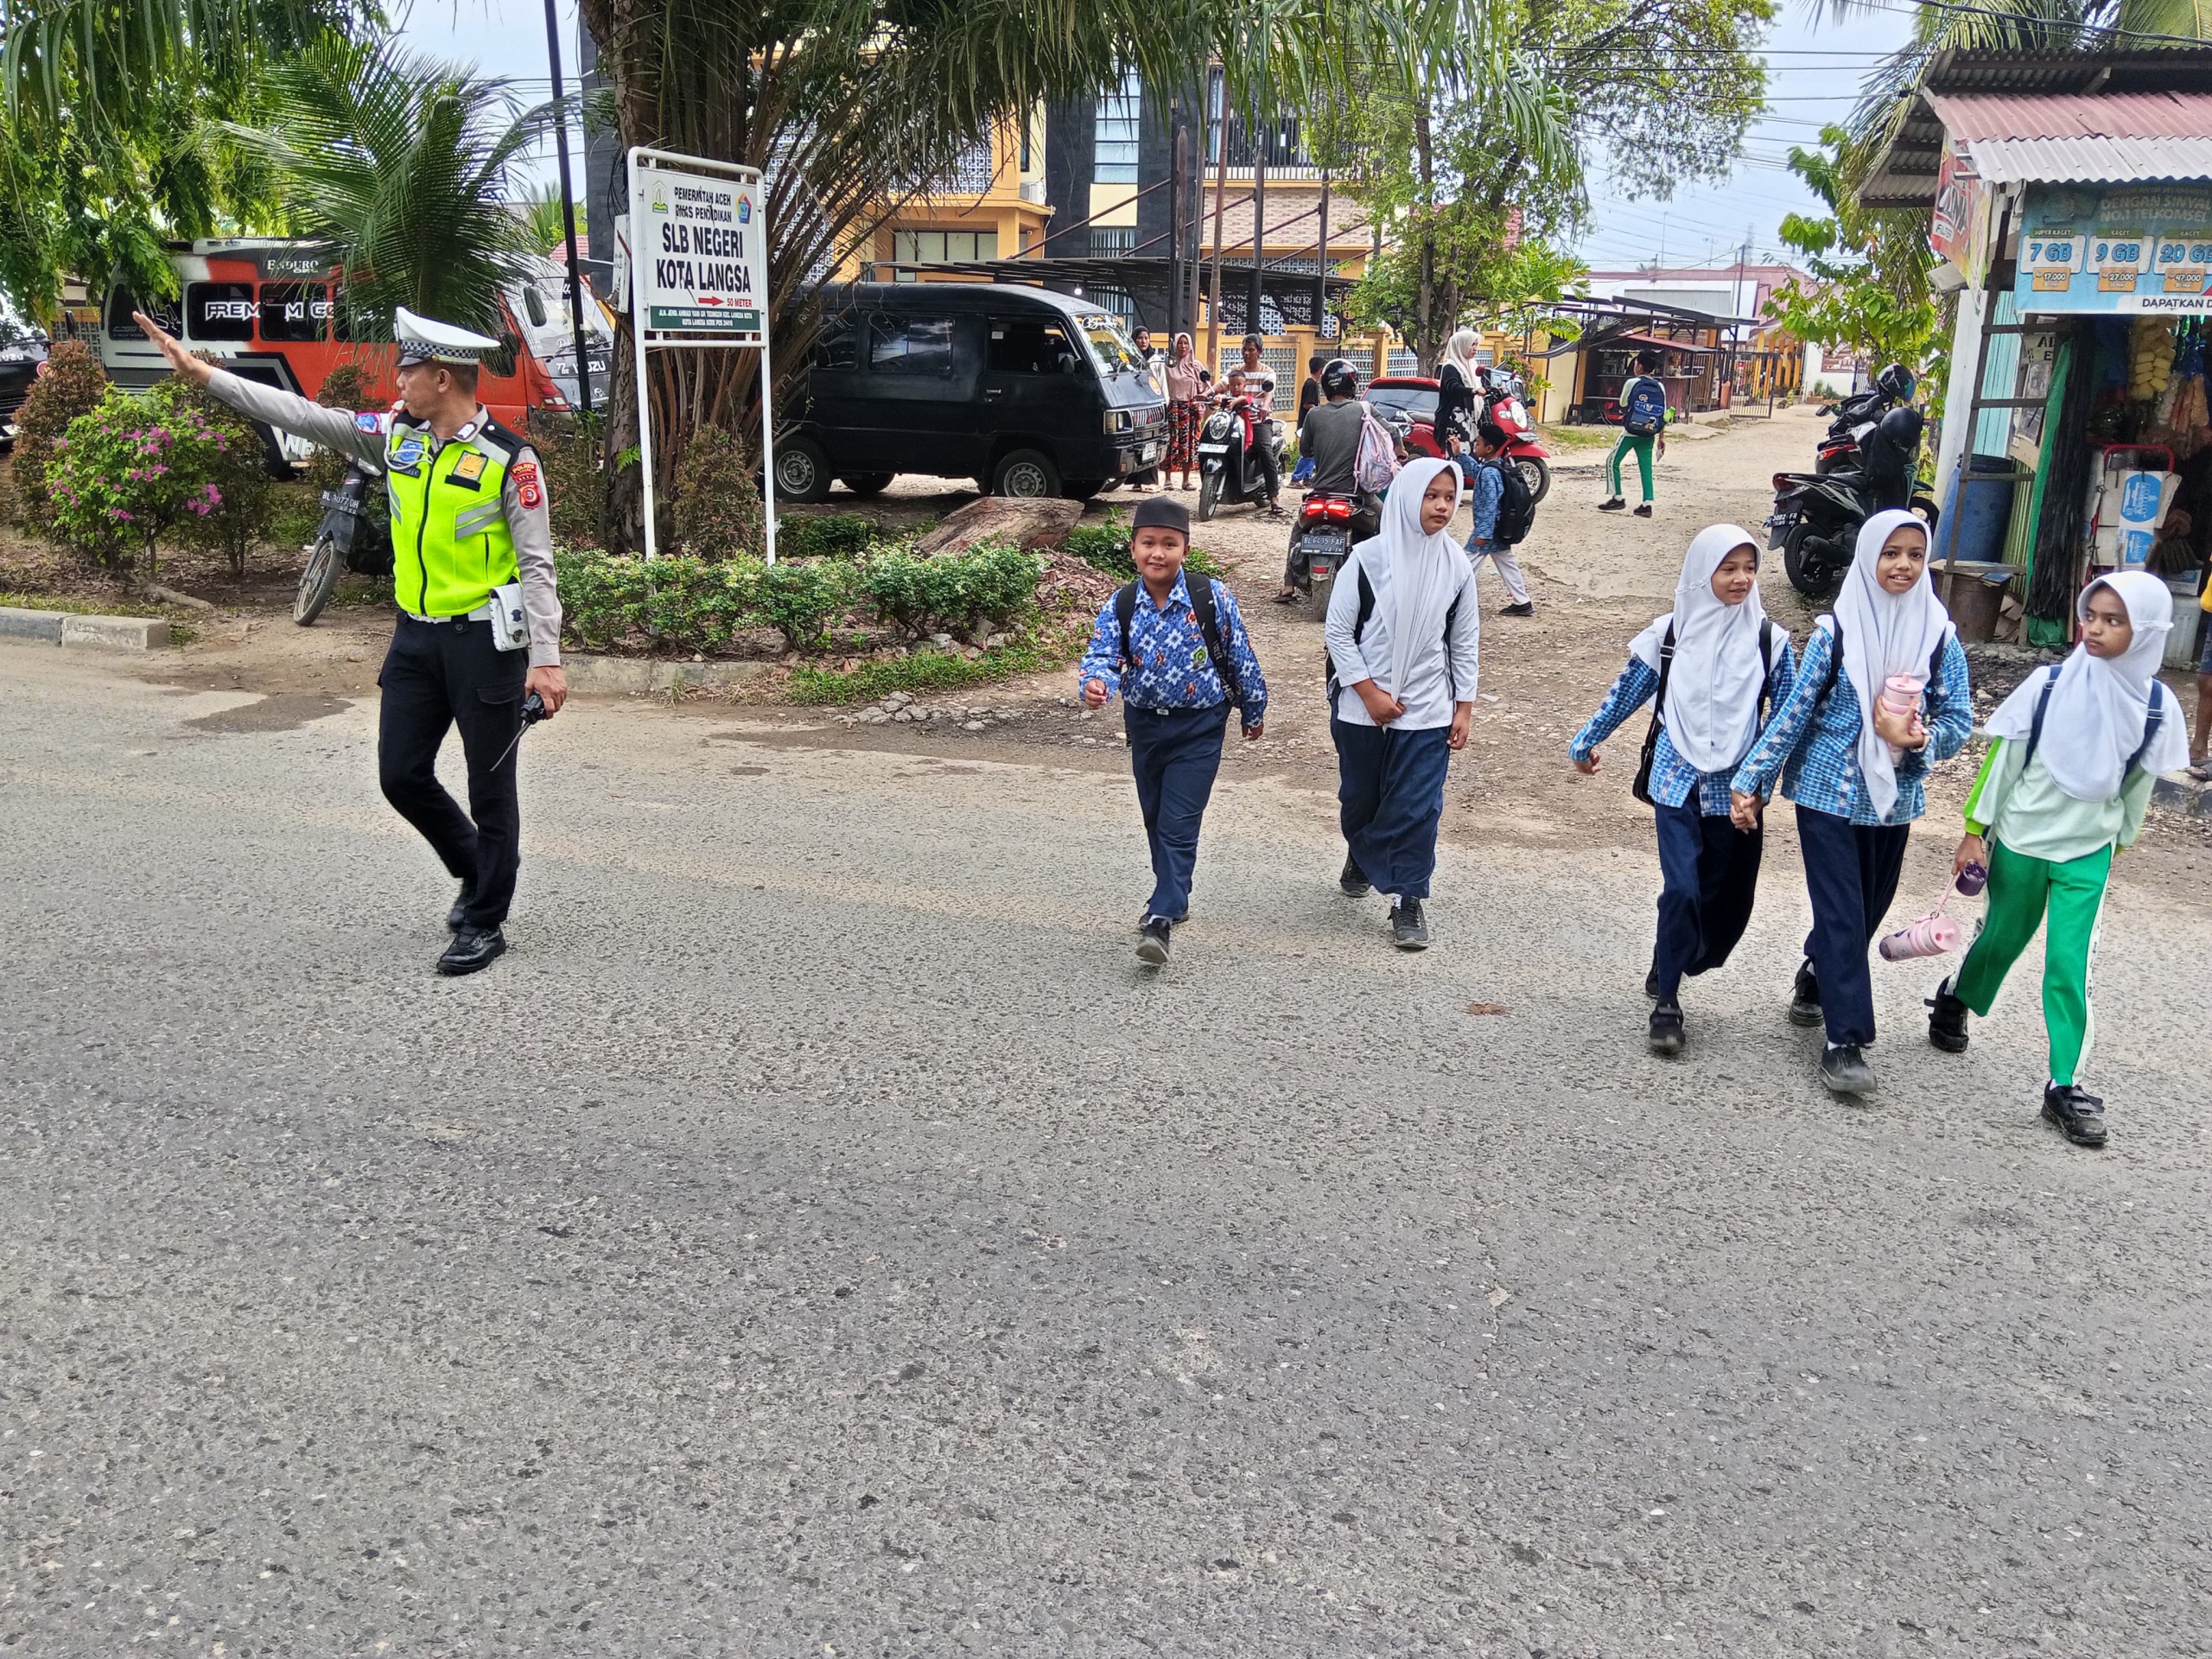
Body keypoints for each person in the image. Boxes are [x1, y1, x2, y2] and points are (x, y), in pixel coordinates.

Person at [135, 306, 568, 977]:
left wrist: (546, 660)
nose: (398, 382)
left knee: (491, 788)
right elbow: (301, 415)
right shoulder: (396, 439)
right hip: (415, 642)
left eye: (409, 370)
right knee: (400, 774)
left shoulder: (510, 460)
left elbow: (537, 566)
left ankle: (484, 920)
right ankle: (480, 866)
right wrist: (204, 375)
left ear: (444, 378)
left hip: (486, 644)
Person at [1925, 572, 2190, 1147]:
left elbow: (2139, 786)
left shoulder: (2155, 708)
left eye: (2113, 621)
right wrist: (1975, 832)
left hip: (2088, 853)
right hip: (2021, 841)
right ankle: (1956, 996)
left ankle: (2065, 1085)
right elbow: (2003, 765)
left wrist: (2114, 844)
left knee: (2069, 965)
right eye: (2090, 615)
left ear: (2144, 631)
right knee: (2002, 939)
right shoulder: (2048, 686)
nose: (2094, 628)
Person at [1729, 510, 1973, 1099]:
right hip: (1827, 793)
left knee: (1862, 914)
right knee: (1842, 912)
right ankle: (1847, 1041)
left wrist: (1916, 738)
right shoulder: (1836, 633)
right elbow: (1796, 712)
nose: (1904, 565)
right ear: (1867, 558)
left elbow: (1959, 719)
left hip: (1895, 800)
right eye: (1891, 553)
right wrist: (1752, 779)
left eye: (1915, 554)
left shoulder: (1938, 635)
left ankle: (1816, 974)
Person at [1570, 526, 1796, 1054]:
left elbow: (1786, 718)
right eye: (1728, 569)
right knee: (1682, 889)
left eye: (1749, 568)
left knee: (1725, 899)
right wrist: (1585, 741)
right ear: (1701, 573)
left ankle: (1668, 955)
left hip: (1737, 793)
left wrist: (1759, 783)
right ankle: (1667, 1004)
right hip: (1677, 782)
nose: (1741, 579)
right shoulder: (1668, 635)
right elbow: (1627, 691)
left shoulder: (1770, 640)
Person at [1077, 495, 1268, 966]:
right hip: (1144, 726)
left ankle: (1160, 917)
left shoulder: (1211, 596)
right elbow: (1103, 654)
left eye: (1168, 544)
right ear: (1133, 548)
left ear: (1185, 548)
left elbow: (1240, 655)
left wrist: (1253, 708)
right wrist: (1095, 683)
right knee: (1155, 816)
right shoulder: (1122, 603)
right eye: (1148, 544)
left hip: (1201, 727)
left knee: (1178, 824)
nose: (1157, 553)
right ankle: (1175, 893)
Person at [1325, 457, 1481, 950]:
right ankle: (1363, 847)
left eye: (1449, 497)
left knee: (1417, 808)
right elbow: (1338, 634)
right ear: (1408, 497)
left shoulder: (1457, 565)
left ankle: (1407, 899)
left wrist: (1464, 706)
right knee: (1361, 801)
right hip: (1360, 709)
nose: (1441, 506)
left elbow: (1465, 641)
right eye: (1431, 495)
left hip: (1427, 709)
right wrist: (1369, 694)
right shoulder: (1367, 560)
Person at [1279, 358, 1382, 603]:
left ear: (1325, 386)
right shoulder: (1364, 410)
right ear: (1352, 384)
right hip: (1355, 494)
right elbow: (1391, 434)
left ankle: (1288, 584)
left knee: (1298, 529)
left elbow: (1305, 451)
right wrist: (1400, 452)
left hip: (1320, 494)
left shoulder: (1314, 414)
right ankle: (1383, 582)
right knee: (1385, 520)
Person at [1452, 419, 1535, 618]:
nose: (1475, 446)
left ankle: (1453, 602)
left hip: (1489, 530)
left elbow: (1490, 505)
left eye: (1478, 443)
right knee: (1507, 564)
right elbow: (1476, 472)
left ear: (1489, 447)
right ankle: (1522, 601)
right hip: (1499, 529)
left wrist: (1482, 533)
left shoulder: (1490, 473)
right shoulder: (1495, 466)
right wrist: (1459, 454)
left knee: (1465, 564)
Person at [1599, 347, 1669, 518]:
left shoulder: (1632, 383)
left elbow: (1623, 403)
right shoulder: (1660, 386)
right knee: (1646, 468)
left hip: (1631, 432)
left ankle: (1618, 497)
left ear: (1640, 366)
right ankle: (1647, 504)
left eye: (1636, 363)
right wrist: (1662, 436)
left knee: (1612, 461)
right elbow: (1664, 413)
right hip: (1649, 433)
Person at [1232, 334, 1285, 518]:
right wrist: (1207, 393)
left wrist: (1264, 405)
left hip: (1259, 420)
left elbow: (1269, 393)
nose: (1246, 353)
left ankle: (1274, 498)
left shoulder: (1267, 372)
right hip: (1236, 420)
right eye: (1244, 349)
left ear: (1259, 352)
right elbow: (1221, 384)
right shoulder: (1236, 370)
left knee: (1265, 450)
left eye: (1251, 350)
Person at [1163, 333, 1206, 493]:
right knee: (1170, 443)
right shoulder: (1168, 365)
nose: (1182, 346)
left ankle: (1186, 480)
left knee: (1188, 444)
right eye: (1180, 343)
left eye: (1185, 343)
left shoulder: (1196, 366)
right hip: (1172, 409)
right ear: (1175, 345)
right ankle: (1167, 480)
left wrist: (1199, 404)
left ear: (1190, 345)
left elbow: (1204, 388)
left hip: (1190, 410)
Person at [1435, 327, 1482, 450]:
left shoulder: (1472, 365)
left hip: (1470, 417)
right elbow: (1453, 387)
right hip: (1454, 418)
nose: (1475, 348)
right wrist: (1473, 391)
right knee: (1459, 454)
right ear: (1462, 345)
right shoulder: (1450, 366)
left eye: (1476, 345)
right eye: (1472, 344)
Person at [1127, 327, 1161, 492]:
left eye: (1146, 338)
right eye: (1140, 338)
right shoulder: (1128, 360)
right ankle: (1137, 480)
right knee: (1137, 443)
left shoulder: (1155, 360)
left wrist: (1163, 402)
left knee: (1151, 441)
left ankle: (1151, 480)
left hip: (1152, 406)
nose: (1143, 341)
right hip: (1136, 406)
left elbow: (1162, 382)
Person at [1291, 352, 1326, 485]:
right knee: (1308, 453)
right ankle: (1296, 478)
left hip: (1310, 424)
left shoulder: (1312, 384)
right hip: (1308, 424)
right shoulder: (1310, 384)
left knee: (1313, 452)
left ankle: (1307, 478)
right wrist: (1319, 411)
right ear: (1321, 370)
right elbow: (1307, 404)